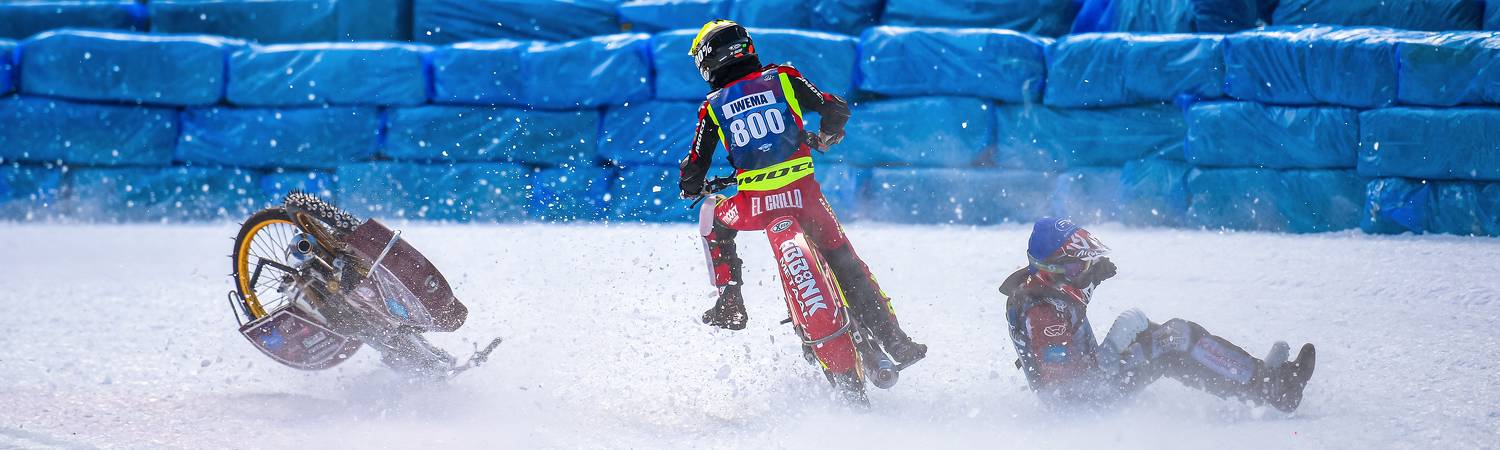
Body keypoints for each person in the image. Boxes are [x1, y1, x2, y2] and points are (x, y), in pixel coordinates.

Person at [677, 20, 926, 365]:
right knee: (847, 263)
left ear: (708, 60)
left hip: (754, 206)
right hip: (806, 200)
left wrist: (691, 186)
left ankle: (730, 302)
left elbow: (694, 167)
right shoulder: (782, 77)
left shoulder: (712, 106)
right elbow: (835, 108)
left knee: (711, 215)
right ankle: (896, 341)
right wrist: (825, 136)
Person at [1000, 217, 1316, 412]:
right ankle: (1272, 388)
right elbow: (1070, 383)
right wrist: (1113, 346)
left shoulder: (1043, 288)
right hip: (1085, 406)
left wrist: (1091, 274)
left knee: (1155, 335)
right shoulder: (1042, 315)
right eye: (1077, 267)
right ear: (1052, 270)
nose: (1083, 273)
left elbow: (1069, 295)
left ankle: (1254, 379)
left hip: (1090, 390)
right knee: (1176, 338)